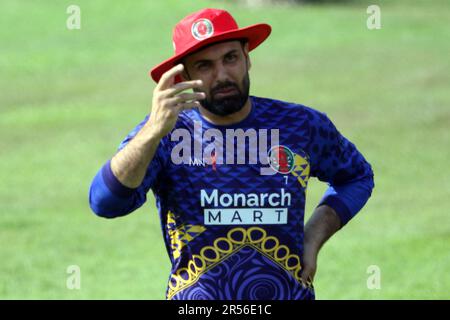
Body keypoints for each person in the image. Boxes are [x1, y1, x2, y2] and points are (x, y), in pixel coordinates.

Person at [89, 8, 374, 300]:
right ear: (183, 76)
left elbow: (356, 176)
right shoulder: (165, 135)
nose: (222, 75)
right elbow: (105, 203)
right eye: (204, 66)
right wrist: (151, 131)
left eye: (230, 58)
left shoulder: (299, 124)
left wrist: (312, 238)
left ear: (247, 57)